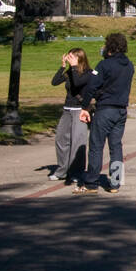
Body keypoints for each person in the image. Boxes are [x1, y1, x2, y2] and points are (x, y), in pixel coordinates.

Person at [75, 32, 134, 194]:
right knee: (116, 146)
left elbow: (92, 87)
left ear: (110, 47)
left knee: (96, 146)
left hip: (105, 109)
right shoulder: (129, 65)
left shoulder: (104, 65)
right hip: (121, 110)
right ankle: (115, 183)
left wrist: (85, 107)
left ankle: (91, 183)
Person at [49, 47, 91, 183]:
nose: (69, 59)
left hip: (80, 110)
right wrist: (62, 67)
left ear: (80, 58)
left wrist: (73, 67)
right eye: (69, 56)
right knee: (61, 139)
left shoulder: (88, 73)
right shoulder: (70, 71)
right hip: (67, 109)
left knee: (77, 141)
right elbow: (54, 82)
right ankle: (62, 170)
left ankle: (76, 172)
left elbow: (78, 83)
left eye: (72, 57)